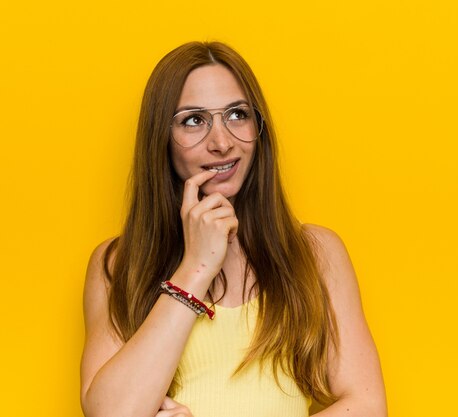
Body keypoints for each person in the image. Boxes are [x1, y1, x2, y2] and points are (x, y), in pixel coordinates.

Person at [80, 41, 386, 417]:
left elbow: (367, 405)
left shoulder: (315, 253)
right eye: (193, 120)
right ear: (161, 137)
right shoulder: (117, 263)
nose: (222, 143)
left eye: (237, 115)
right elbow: (110, 413)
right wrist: (196, 267)